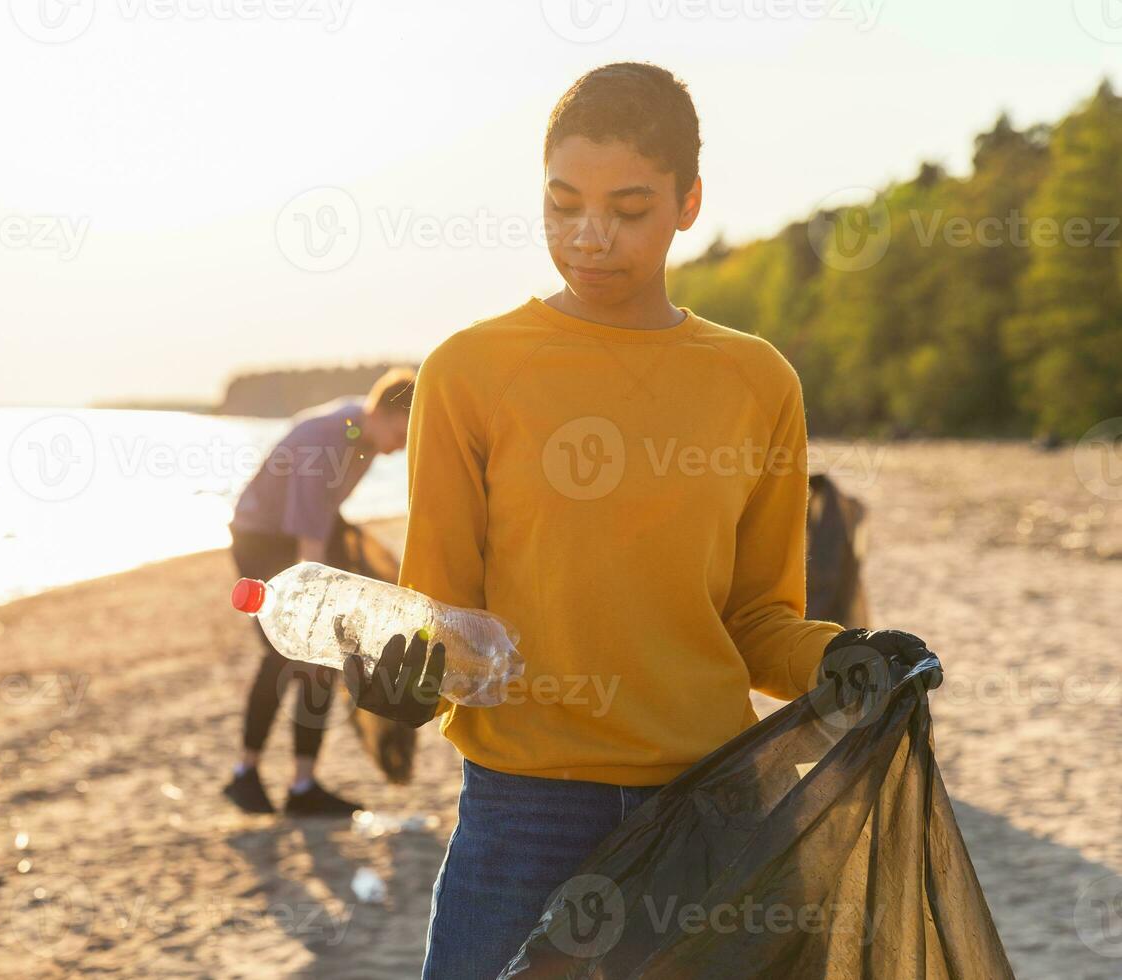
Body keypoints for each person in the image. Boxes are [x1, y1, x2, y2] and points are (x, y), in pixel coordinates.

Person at [344, 63, 944, 976]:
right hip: (523, 817)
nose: (590, 237)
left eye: (628, 208)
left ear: (688, 201)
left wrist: (841, 658)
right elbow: (445, 618)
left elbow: (756, 621)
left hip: (716, 812)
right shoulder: (468, 371)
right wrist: (409, 683)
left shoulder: (756, 380)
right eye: (563, 203)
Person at [221, 367, 416, 817]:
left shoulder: (363, 438)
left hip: (301, 535)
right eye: (402, 433)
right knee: (283, 652)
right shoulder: (330, 440)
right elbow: (306, 530)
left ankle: (302, 784)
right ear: (379, 411)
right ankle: (244, 774)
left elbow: (323, 515)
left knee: (321, 659)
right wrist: (318, 596)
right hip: (262, 538)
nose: (403, 446)